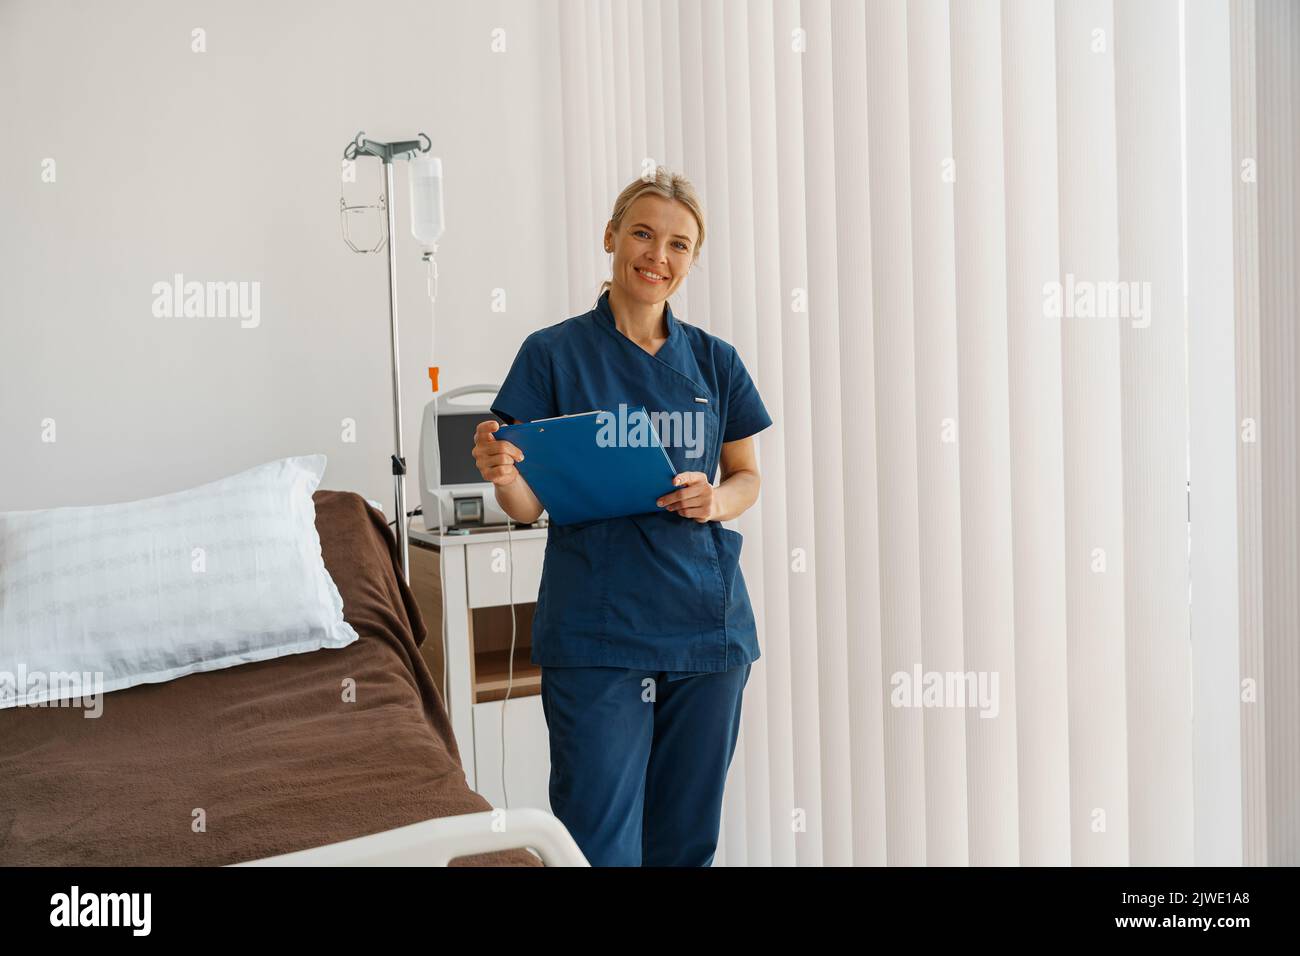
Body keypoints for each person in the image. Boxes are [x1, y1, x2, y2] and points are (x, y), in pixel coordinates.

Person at [472, 167, 772, 866]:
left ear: (692, 259)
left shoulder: (716, 363)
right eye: (642, 233)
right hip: (597, 631)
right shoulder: (552, 354)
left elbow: (747, 476)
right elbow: (525, 504)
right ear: (611, 236)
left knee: (682, 842)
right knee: (596, 843)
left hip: (706, 629)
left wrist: (715, 500)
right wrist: (502, 474)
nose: (656, 256)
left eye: (678, 245)